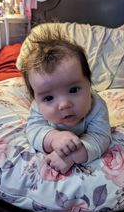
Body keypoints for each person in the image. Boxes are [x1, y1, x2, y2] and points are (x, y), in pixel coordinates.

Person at [20, 33, 112, 174]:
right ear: (36, 99)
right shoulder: (37, 107)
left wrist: (73, 155)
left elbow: (101, 136)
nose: (64, 104)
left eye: (73, 90)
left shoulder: (97, 106)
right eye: (49, 98)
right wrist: (53, 138)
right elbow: (33, 129)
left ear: (89, 83)